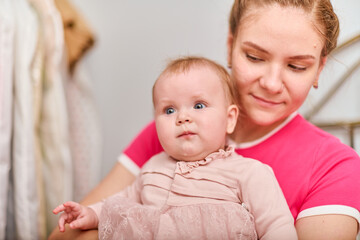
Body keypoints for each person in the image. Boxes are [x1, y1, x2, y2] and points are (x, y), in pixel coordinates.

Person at [49, 0, 360, 239]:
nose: (271, 83)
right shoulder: (174, 134)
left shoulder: (336, 168)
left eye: (296, 66)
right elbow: (68, 232)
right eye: (255, 57)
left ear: (319, 69)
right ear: (229, 46)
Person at [53, 56, 298, 239]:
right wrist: (91, 214)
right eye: (169, 110)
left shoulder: (248, 172)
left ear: (230, 118)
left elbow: (277, 226)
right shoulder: (152, 169)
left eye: (199, 105)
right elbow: (118, 202)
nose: (183, 117)